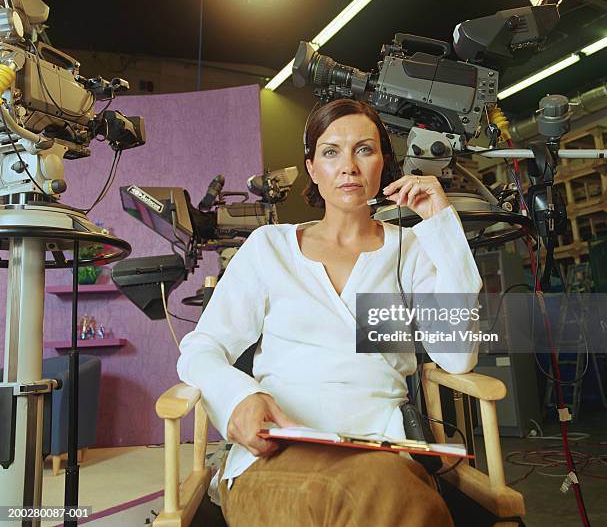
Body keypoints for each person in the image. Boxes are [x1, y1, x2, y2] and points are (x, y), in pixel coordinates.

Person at [177, 98, 482, 526]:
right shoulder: (270, 248)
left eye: (365, 149)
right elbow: (201, 348)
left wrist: (441, 225)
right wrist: (238, 398)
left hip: (382, 452)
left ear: (384, 164)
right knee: (374, 500)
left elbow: (456, 355)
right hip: (276, 458)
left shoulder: (409, 251)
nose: (349, 167)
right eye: (331, 151)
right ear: (312, 168)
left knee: (380, 492)